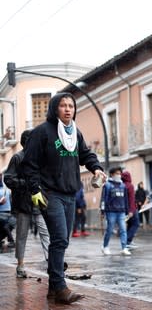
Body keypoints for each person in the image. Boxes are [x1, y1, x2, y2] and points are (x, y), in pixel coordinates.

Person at [22, 92, 106, 304]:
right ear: (54, 108)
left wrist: (95, 168)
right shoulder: (41, 133)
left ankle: (53, 289)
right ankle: (60, 287)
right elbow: (29, 164)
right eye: (63, 105)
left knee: (63, 240)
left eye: (71, 105)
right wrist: (35, 190)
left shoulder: (74, 133)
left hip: (70, 194)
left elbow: (85, 155)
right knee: (59, 238)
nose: (68, 109)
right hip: (50, 193)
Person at [4, 129, 50, 278]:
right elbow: (8, 179)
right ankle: (20, 265)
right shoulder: (17, 158)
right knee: (21, 236)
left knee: (45, 233)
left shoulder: (40, 159)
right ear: (27, 142)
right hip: (23, 204)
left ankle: (52, 263)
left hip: (39, 203)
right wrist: (26, 184)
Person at [100, 167, 131, 256]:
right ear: (112, 174)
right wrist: (103, 210)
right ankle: (105, 246)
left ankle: (124, 248)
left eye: (119, 173)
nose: (119, 175)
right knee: (109, 229)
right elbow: (103, 199)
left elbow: (125, 199)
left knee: (123, 229)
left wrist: (127, 210)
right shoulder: (107, 185)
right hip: (111, 211)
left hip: (121, 211)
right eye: (117, 173)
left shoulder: (123, 185)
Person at [122, 170, 140, 249]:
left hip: (124, 209)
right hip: (131, 209)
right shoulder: (130, 186)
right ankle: (127, 242)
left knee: (130, 225)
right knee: (136, 224)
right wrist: (132, 210)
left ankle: (129, 241)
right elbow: (131, 199)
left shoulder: (121, 185)